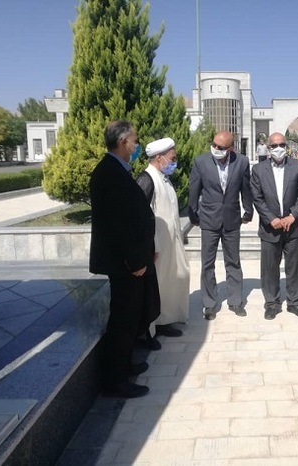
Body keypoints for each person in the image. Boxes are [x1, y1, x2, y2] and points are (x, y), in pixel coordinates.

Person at [89, 120, 160, 399]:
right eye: (134, 140)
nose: (136, 145)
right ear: (123, 142)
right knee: (122, 320)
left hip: (130, 261)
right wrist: (135, 261)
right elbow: (117, 225)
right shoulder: (109, 173)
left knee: (129, 318)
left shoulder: (118, 169)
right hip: (125, 265)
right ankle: (115, 380)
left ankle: (125, 366)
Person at [188, 131, 254, 320]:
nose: (216, 149)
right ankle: (209, 303)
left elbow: (246, 188)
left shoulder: (241, 162)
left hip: (232, 219)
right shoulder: (201, 162)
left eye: (221, 147)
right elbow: (194, 189)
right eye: (214, 145)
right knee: (207, 263)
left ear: (231, 148)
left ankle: (235, 301)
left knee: (233, 261)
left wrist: (248, 210)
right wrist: (193, 214)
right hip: (209, 219)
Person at [250, 132, 298, 320]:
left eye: (282, 145)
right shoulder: (258, 170)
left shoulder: (297, 167)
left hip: (293, 227)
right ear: (268, 148)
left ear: (286, 147)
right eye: (274, 145)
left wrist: (293, 216)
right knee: (269, 268)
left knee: (295, 267)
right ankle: (272, 303)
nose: (278, 149)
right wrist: (271, 218)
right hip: (270, 228)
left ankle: (295, 302)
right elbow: (257, 198)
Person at [136, 137, 189, 338]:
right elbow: (142, 217)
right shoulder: (147, 180)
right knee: (157, 285)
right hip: (157, 247)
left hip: (170, 243)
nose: (175, 162)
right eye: (172, 158)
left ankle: (164, 320)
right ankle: (151, 328)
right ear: (159, 158)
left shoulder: (163, 178)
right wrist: (153, 246)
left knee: (169, 282)